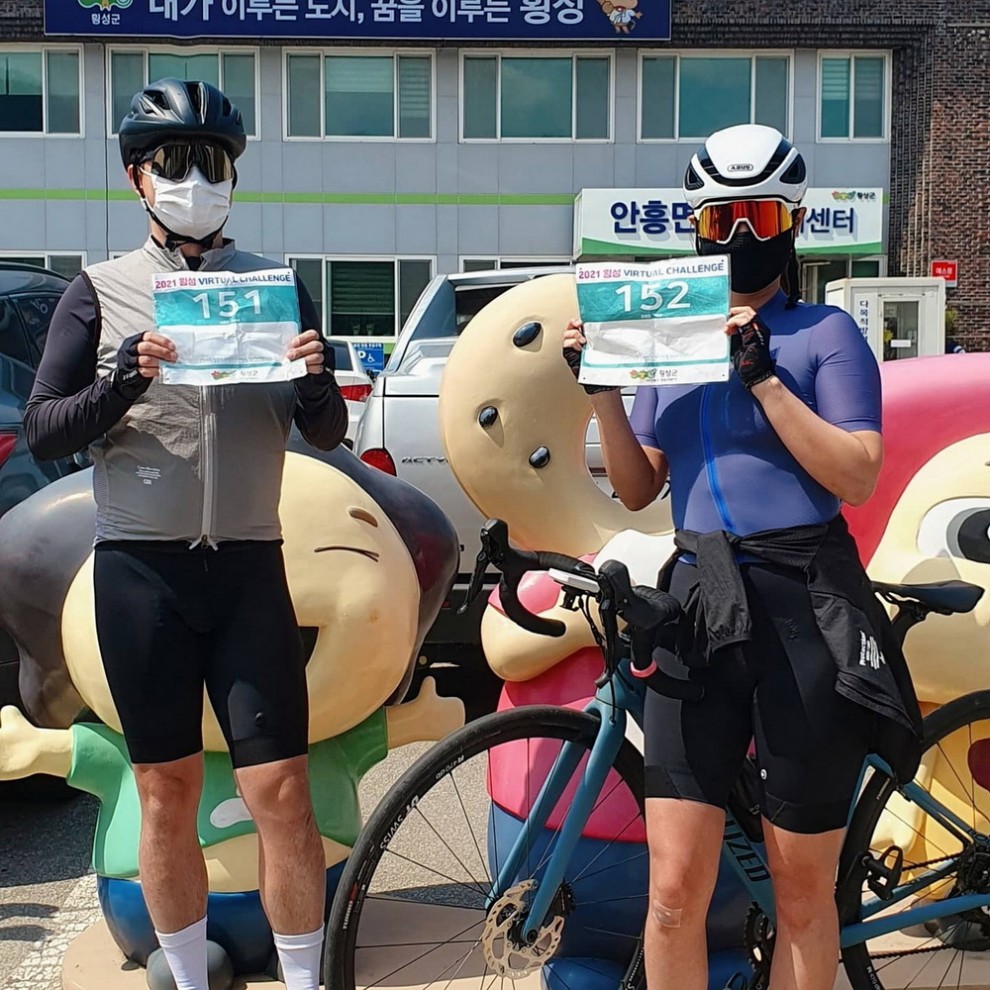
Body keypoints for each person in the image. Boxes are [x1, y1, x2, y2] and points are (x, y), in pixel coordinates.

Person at [563, 124, 921, 990]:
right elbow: (639, 486)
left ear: (791, 222)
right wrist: (603, 391)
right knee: (672, 894)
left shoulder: (825, 333)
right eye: (719, 219)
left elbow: (857, 473)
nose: (738, 237)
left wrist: (762, 377)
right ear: (696, 227)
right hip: (697, 601)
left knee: (802, 894)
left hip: (803, 605)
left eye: (758, 216)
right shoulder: (670, 337)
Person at [24, 79, 347, 990]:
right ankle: (187, 978)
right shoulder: (99, 291)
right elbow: (45, 427)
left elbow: (327, 432)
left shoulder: (275, 286)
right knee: (165, 792)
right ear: (138, 176)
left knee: (281, 791)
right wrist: (123, 380)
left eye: (214, 163)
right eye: (175, 163)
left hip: (248, 568)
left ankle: (305, 979)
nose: (196, 182)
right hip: (142, 574)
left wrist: (317, 380)